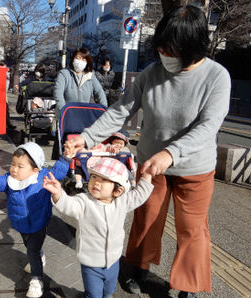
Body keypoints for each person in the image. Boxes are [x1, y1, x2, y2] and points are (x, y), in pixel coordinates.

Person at [65, 5, 231, 297]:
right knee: (145, 217)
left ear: (191, 47)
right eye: (162, 47)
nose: (164, 54)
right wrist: (87, 137)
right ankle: (137, 269)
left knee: (192, 229)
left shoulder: (216, 77)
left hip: (195, 167)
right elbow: (121, 111)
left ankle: (187, 286)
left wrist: (171, 153)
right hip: (152, 164)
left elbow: (208, 126)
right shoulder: (151, 73)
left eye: (171, 49)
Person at [43, 158, 153, 298]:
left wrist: (148, 175)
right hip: (91, 264)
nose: (96, 182)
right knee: (94, 295)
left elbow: (139, 195)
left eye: (104, 180)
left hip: (113, 261)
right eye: (94, 176)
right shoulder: (85, 202)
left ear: (118, 190)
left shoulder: (121, 202)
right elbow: (69, 205)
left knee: (108, 291)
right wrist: (58, 194)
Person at [0, 142, 72, 298]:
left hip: (39, 223)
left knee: (32, 250)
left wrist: (66, 158)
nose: (14, 169)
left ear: (35, 169)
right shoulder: (10, 179)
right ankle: (39, 256)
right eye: (13, 164)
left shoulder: (43, 178)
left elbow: (58, 172)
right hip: (20, 222)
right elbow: (0, 183)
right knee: (29, 245)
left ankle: (37, 279)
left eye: (20, 166)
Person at [53, 48, 107, 112]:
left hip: (84, 115)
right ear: (73, 59)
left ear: (87, 62)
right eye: (78, 58)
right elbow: (58, 94)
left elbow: (99, 91)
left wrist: (104, 109)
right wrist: (64, 111)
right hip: (66, 115)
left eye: (83, 60)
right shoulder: (64, 74)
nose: (80, 62)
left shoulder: (90, 75)